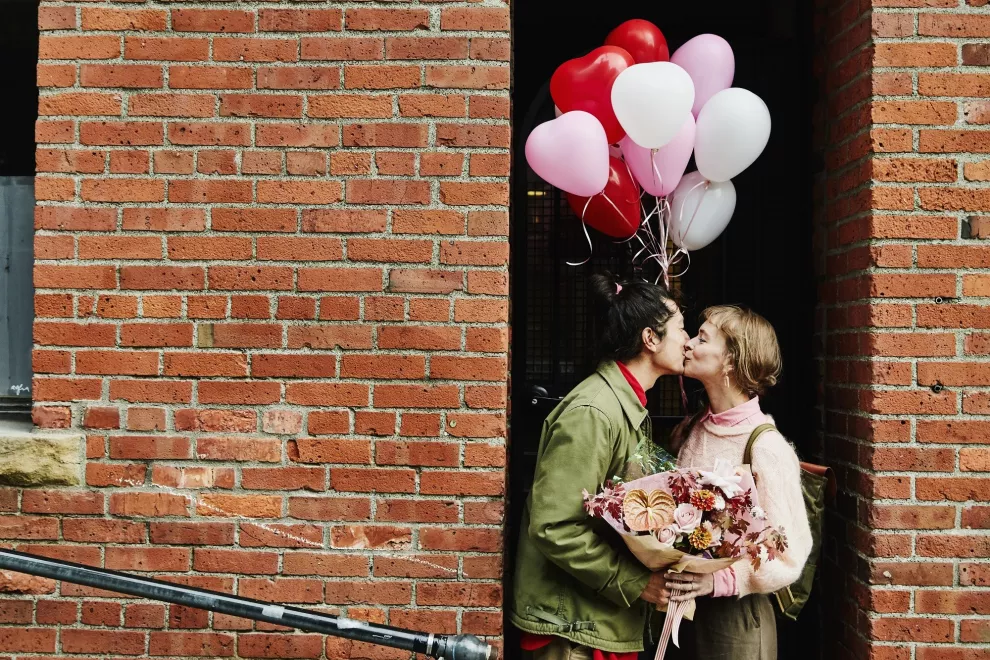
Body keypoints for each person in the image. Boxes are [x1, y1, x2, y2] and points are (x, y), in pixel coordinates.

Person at [510, 274, 691, 660]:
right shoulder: (593, 412)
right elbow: (554, 526)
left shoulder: (626, 403)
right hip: (573, 630)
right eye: (681, 328)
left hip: (595, 622)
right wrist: (637, 582)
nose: (688, 340)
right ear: (650, 338)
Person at [662, 306, 812, 660]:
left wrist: (718, 580)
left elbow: (790, 555)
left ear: (731, 360)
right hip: (685, 612)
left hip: (737, 620)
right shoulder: (696, 427)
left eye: (702, 338)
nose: (688, 344)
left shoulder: (767, 447)